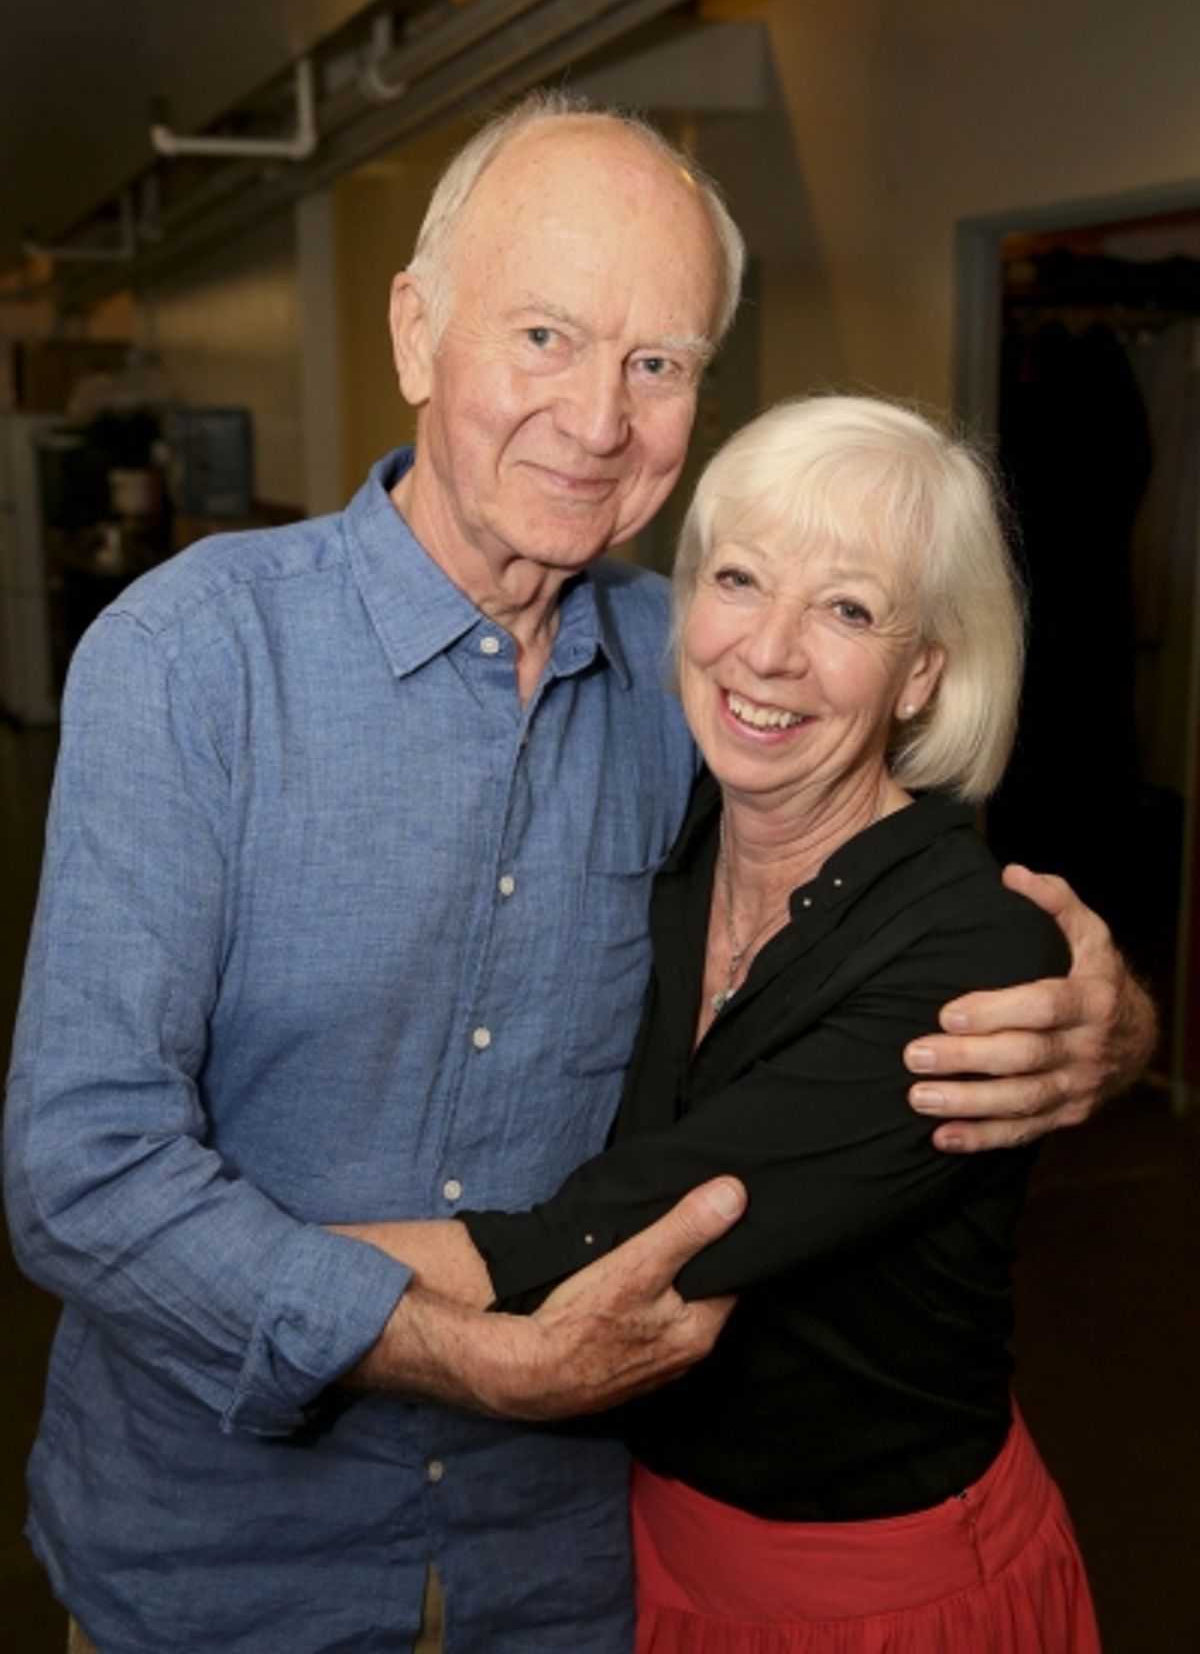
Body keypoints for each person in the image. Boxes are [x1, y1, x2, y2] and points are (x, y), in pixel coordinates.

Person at [3, 94, 1146, 1654]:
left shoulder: (708, 674)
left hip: (567, 1572)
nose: (599, 419)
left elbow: (879, 908)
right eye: (544, 335)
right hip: (221, 1566)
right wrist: (460, 1357)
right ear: (417, 332)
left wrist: (1105, 1026)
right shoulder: (194, 660)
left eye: (657, 363)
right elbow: (80, 1170)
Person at [368, 396, 1101, 1649]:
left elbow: (594, 1237)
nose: (768, 651)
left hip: (881, 1602)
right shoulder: (683, 850)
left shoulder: (968, 953)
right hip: (646, 1549)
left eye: (849, 610)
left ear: (924, 670)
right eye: (741, 579)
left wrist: (206, 1268)